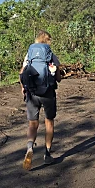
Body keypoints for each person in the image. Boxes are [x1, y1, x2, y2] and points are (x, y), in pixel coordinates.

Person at [20, 30, 61, 170]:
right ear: (48, 41)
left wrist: (24, 88)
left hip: (32, 94)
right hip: (48, 93)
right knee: (49, 122)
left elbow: (22, 72)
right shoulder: (51, 56)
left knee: (32, 124)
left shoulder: (29, 55)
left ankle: (30, 147)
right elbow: (58, 78)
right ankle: (47, 154)